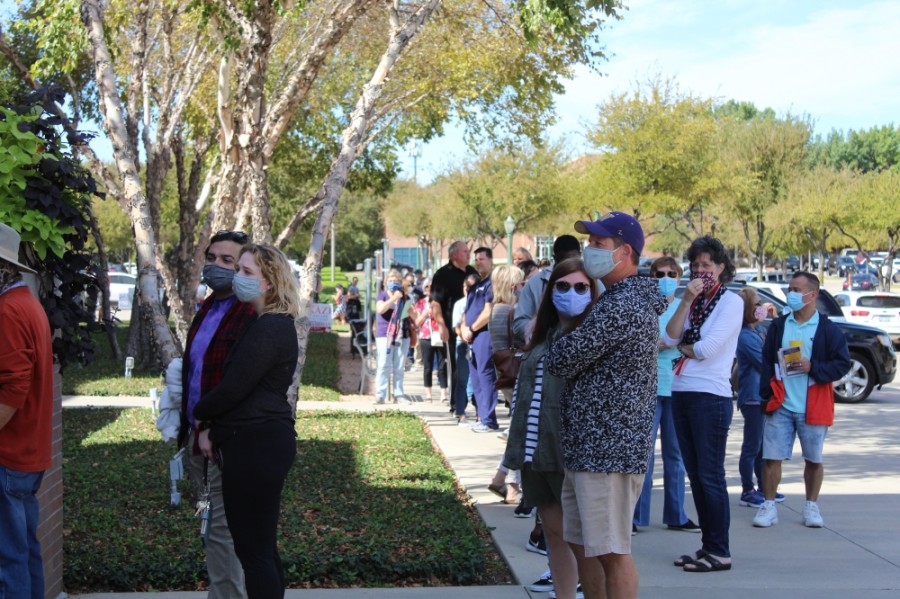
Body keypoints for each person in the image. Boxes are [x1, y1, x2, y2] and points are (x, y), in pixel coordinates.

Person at [546, 212, 666, 599]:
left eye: (598, 244)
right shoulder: (613, 300)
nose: (589, 251)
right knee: (583, 545)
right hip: (590, 446)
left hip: (609, 449)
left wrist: (560, 338)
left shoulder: (623, 305)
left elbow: (562, 358)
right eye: (590, 243)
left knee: (613, 552)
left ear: (625, 252)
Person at [193, 243, 300, 599]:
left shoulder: (270, 327)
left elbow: (233, 389)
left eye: (245, 272)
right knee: (262, 551)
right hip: (254, 443)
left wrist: (199, 415)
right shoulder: (263, 323)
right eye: (238, 269)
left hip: (258, 446)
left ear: (269, 282)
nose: (236, 277)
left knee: (254, 555)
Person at [505, 258, 600, 599]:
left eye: (580, 287)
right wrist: (510, 461)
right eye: (562, 286)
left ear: (592, 292)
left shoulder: (592, 337)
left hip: (568, 454)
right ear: (550, 292)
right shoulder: (542, 336)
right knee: (554, 537)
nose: (571, 293)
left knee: (578, 541)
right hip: (535, 454)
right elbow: (523, 399)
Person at [178, 230, 256, 599]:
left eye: (228, 261)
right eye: (212, 258)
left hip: (225, 442)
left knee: (223, 534)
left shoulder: (248, 314)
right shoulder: (208, 307)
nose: (216, 267)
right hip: (196, 439)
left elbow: (237, 384)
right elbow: (195, 375)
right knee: (212, 531)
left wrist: (211, 427)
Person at [663, 235, 742, 573]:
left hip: (710, 396)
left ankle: (720, 550)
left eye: (706, 265)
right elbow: (669, 335)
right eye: (695, 266)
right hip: (681, 391)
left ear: (721, 268)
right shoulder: (694, 301)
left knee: (710, 475)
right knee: (694, 474)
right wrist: (685, 301)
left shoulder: (731, 302)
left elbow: (706, 348)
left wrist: (682, 348)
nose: (700, 271)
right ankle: (708, 544)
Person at [752, 271, 850, 529]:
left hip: (813, 404)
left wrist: (813, 366)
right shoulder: (780, 325)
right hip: (781, 402)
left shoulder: (828, 329)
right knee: (771, 457)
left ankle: (811, 506)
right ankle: (769, 505)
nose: (790, 294)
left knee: (813, 459)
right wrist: (767, 394)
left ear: (812, 294)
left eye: (796, 289)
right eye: (790, 288)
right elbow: (766, 361)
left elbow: (842, 364)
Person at [0, 223, 54, 599]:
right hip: (25, 455)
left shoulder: (7, 310)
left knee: (8, 559)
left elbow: (14, 387)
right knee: (23, 551)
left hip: (8, 454)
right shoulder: (27, 304)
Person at [633, 257, 698, 534]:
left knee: (676, 455)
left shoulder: (687, 309)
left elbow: (693, 343)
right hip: (647, 388)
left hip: (677, 387)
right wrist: (665, 344)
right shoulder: (642, 308)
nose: (666, 278)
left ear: (680, 278)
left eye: (672, 273)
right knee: (643, 457)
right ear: (651, 277)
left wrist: (672, 344)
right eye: (660, 274)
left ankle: (677, 515)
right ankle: (636, 517)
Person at [486, 265, 525, 504]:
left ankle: (502, 477)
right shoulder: (511, 311)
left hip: (505, 373)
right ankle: (511, 483)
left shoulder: (495, 310)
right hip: (517, 372)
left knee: (517, 430)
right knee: (519, 432)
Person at [735, 287, 772, 508]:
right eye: (757, 304)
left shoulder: (758, 332)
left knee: (762, 447)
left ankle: (764, 488)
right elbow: (764, 362)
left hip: (763, 397)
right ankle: (747, 490)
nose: (761, 308)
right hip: (752, 398)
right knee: (752, 446)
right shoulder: (745, 336)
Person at [430, 241, 478, 409]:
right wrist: (441, 325)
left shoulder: (473, 272)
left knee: (477, 365)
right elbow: (435, 303)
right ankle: (457, 403)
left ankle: (477, 401)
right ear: (454, 254)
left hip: (475, 328)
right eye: (465, 251)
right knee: (456, 367)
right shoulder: (442, 275)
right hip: (453, 330)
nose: (468, 253)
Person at [513, 235, 582, 347]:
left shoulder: (593, 280)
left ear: (580, 255)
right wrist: (540, 328)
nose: (570, 267)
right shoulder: (535, 283)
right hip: (543, 352)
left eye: (574, 261)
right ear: (555, 259)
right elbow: (518, 324)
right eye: (565, 262)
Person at [461, 247, 500, 432]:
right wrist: (463, 328)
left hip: (484, 335)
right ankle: (482, 416)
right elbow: (466, 312)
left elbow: (488, 311)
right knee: (475, 379)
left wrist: (472, 328)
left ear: (491, 260)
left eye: (482, 259)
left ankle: (490, 420)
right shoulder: (475, 286)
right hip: (471, 337)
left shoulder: (492, 284)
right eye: (476, 259)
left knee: (486, 376)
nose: (478, 262)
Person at [413, 279, 448, 402]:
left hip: (439, 335)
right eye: (427, 286)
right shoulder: (420, 303)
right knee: (427, 367)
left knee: (442, 366)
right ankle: (428, 394)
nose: (429, 288)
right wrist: (425, 313)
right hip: (425, 336)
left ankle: (444, 394)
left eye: (432, 286)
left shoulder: (441, 302)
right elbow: (417, 322)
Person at [451, 273, 479, 425]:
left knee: (478, 381)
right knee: (462, 379)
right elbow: (455, 327)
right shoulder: (459, 304)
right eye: (465, 286)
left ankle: (480, 414)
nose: (467, 289)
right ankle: (461, 412)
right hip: (462, 345)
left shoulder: (482, 303)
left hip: (478, 345)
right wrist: (464, 335)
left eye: (470, 286)